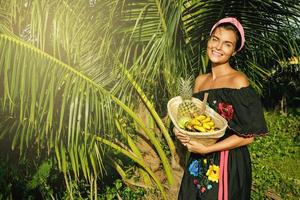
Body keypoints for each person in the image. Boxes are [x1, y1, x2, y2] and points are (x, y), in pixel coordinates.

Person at [173, 17, 268, 200]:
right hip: (198, 160)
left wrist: (207, 150)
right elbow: (193, 121)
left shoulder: (238, 81)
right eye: (215, 39)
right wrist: (181, 131)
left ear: (234, 51)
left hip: (227, 163)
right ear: (209, 40)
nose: (218, 47)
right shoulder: (201, 81)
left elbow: (247, 138)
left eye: (227, 44)